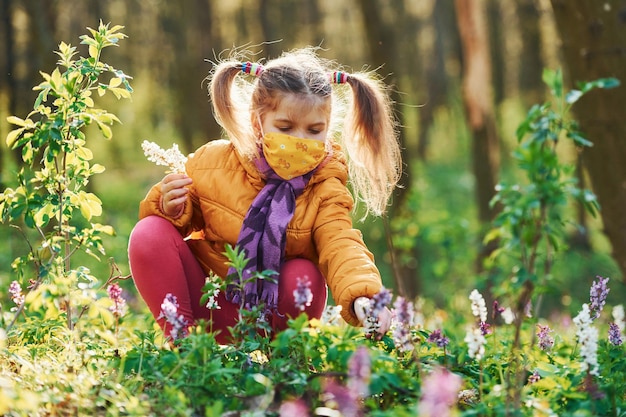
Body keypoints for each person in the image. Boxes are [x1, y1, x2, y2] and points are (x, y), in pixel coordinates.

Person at [128, 47, 402, 344]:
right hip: (211, 304)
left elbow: (340, 242)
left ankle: (282, 367)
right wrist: (170, 208)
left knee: (304, 274)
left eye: (314, 130)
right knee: (149, 232)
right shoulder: (212, 162)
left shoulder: (325, 186)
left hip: (273, 318)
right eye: (285, 127)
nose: (299, 140)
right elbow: (168, 236)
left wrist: (364, 295)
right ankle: (185, 350)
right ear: (258, 123)